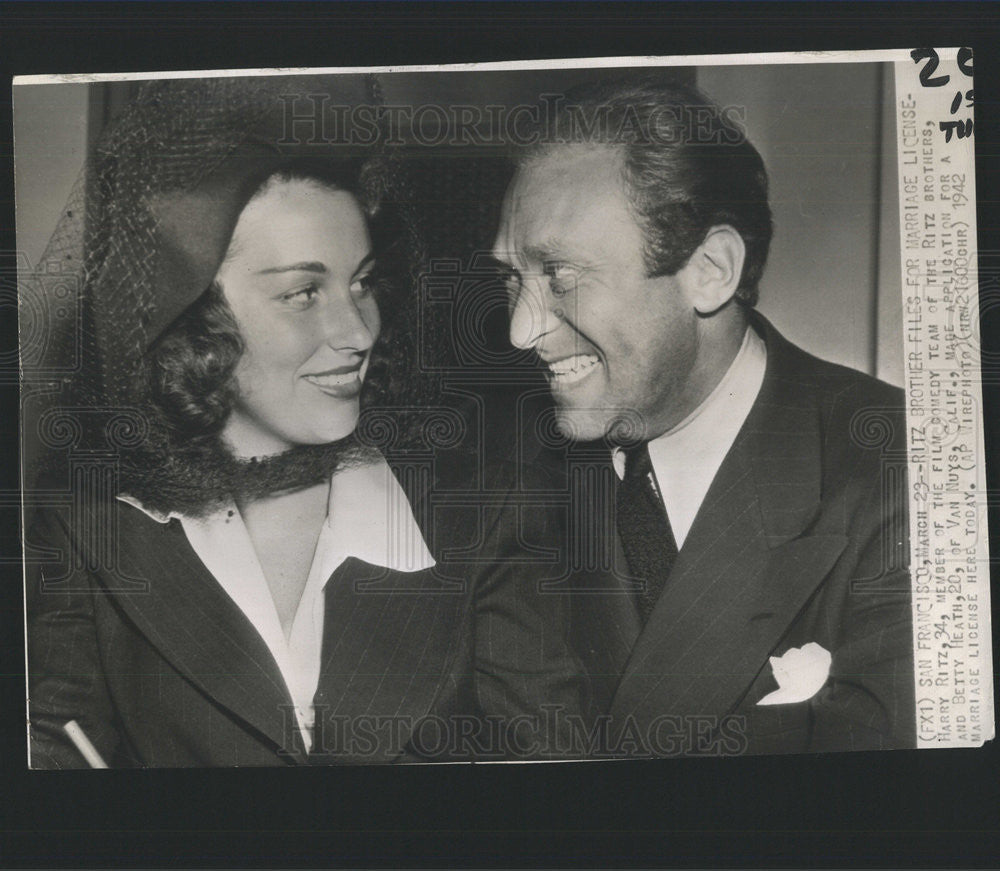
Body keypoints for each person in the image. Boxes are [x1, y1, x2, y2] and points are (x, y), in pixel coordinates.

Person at [24, 79, 586, 767]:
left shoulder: (486, 513)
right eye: (302, 293)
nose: (357, 331)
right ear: (194, 319)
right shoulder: (88, 532)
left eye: (361, 283)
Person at [490, 75, 915, 756]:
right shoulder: (507, 482)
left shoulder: (908, 477)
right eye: (512, 277)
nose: (518, 330)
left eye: (560, 274)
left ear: (711, 270)